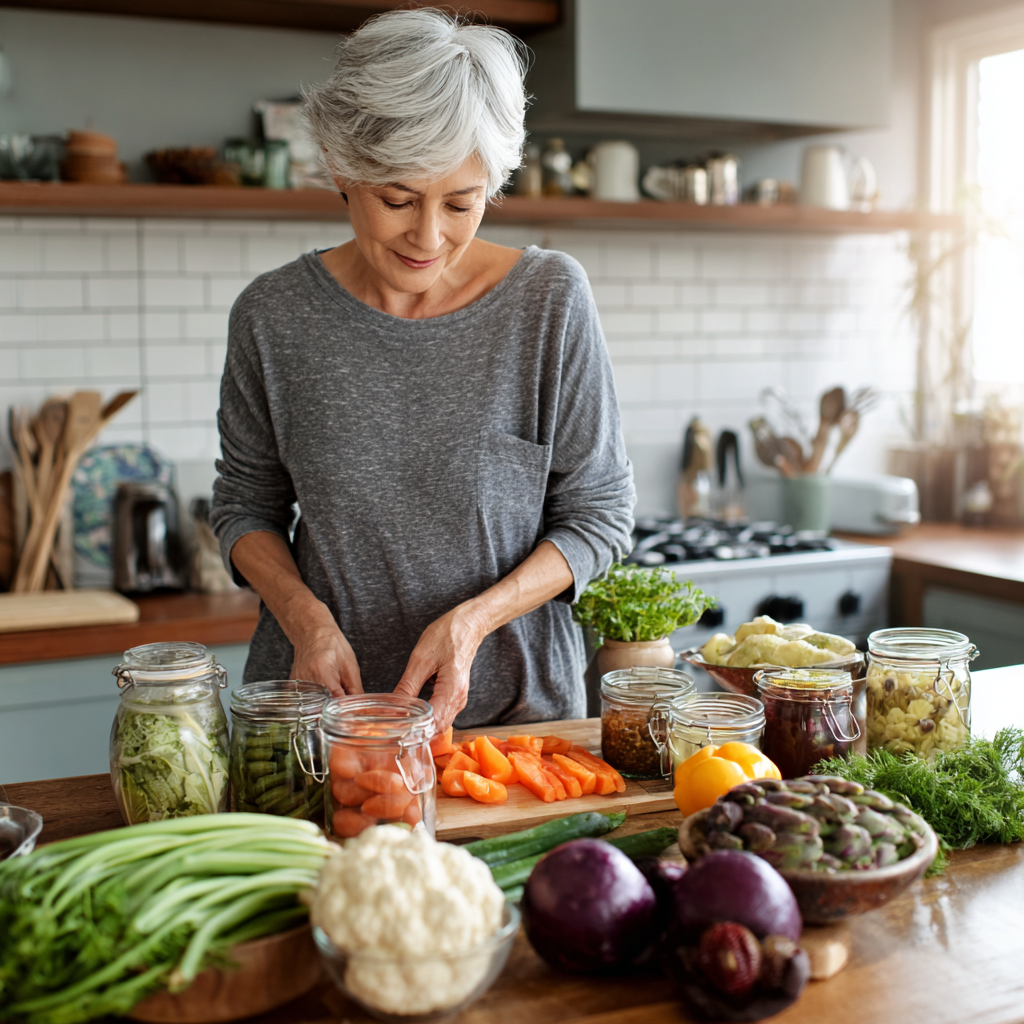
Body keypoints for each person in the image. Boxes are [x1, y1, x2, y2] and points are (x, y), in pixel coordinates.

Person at [210, 9, 634, 731]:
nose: (429, 236)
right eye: (397, 200)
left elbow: (600, 516)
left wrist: (473, 622)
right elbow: (244, 507)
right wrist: (305, 618)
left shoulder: (548, 301)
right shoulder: (273, 315)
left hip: (512, 726)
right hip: (320, 721)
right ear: (343, 170)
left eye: (462, 203)